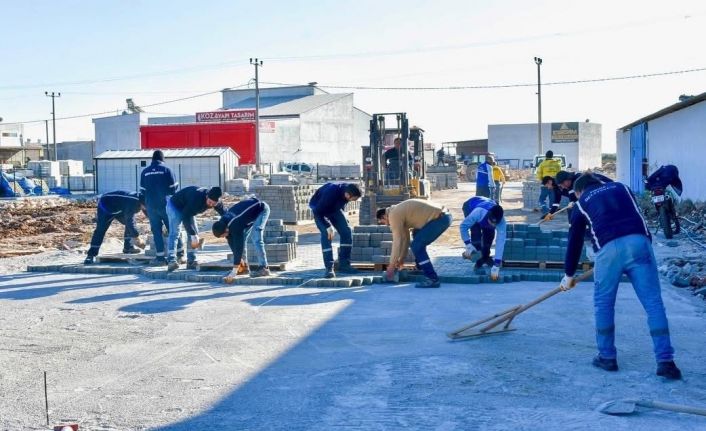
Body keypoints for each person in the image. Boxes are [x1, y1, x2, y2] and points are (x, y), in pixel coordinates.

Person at [559, 174, 681, 380]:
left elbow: (575, 239)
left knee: (604, 304)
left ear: (579, 191)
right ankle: (666, 362)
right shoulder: (622, 187)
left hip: (609, 250)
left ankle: (607, 357)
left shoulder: (581, 203)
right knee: (653, 304)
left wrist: (569, 274)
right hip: (640, 243)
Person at [376, 199, 452, 288]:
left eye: (384, 222)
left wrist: (391, 265)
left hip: (440, 219)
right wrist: (401, 260)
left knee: (417, 246)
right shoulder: (398, 213)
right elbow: (405, 240)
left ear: (384, 216)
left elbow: (397, 241)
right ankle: (420, 267)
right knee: (416, 234)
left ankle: (432, 279)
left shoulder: (393, 215)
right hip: (442, 217)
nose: (387, 225)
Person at [139, 150, 184, 266]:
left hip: (151, 206)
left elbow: (142, 191)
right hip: (165, 205)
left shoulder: (145, 172)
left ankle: (160, 258)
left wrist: (145, 204)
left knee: (156, 231)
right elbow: (174, 188)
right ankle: (179, 254)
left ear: (152, 159)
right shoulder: (167, 170)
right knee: (172, 229)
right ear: (162, 159)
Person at [309, 182, 362, 278]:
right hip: (319, 210)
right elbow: (318, 212)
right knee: (327, 234)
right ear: (347, 195)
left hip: (334, 209)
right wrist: (327, 225)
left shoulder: (348, 190)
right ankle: (329, 268)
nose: (352, 201)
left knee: (346, 231)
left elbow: (341, 205)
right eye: (352, 199)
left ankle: (344, 265)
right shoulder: (330, 192)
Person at [166, 186, 225, 271]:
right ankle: (171, 261)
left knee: (195, 232)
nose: (211, 205)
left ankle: (191, 261)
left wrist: (229, 222)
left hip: (188, 208)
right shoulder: (196, 198)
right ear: (207, 196)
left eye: (214, 204)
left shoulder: (216, 201)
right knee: (175, 232)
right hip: (175, 206)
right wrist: (193, 235)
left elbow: (224, 213)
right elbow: (185, 217)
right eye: (210, 202)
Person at [212, 197, 272, 280]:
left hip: (261, 209)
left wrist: (234, 270)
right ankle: (243, 268)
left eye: (222, 235)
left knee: (256, 237)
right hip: (247, 216)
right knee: (242, 239)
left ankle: (264, 268)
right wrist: (238, 262)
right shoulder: (223, 223)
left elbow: (239, 245)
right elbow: (232, 242)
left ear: (226, 230)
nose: (223, 237)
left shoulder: (234, 224)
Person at [84, 191, 146, 264]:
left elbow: (149, 214)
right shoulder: (132, 203)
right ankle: (90, 255)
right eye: (145, 207)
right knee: (100, 230)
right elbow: (130, 221)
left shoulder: (142, 201)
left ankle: (128, 247)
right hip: (106, 207)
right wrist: (137, 237)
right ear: (142, 203)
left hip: (120, 209)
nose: (145, 209)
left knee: (130, 224)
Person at [460, 196, 506, 280]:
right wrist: (468, 244)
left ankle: (485, 257)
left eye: (495, 224)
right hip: (470, 206)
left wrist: (497, 264)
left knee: (489, 237)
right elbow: (463, 226)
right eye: (491, 222)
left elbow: (500, 241)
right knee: (476, 235)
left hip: (486, 205)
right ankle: (477, 261)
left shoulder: (502, 222)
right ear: (489, 216)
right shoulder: (478, 213)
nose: (493, 225)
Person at [544, 170, 613, 222]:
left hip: (607, 191)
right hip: (597, 195)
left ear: (566, 180)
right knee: (573, 209)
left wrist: (572, 202)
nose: (563, 187)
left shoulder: (578, 179)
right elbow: (557, 202)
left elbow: (573, 196)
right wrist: (551, 213)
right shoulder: (567, 185)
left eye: (562, 185)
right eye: (560, 186)